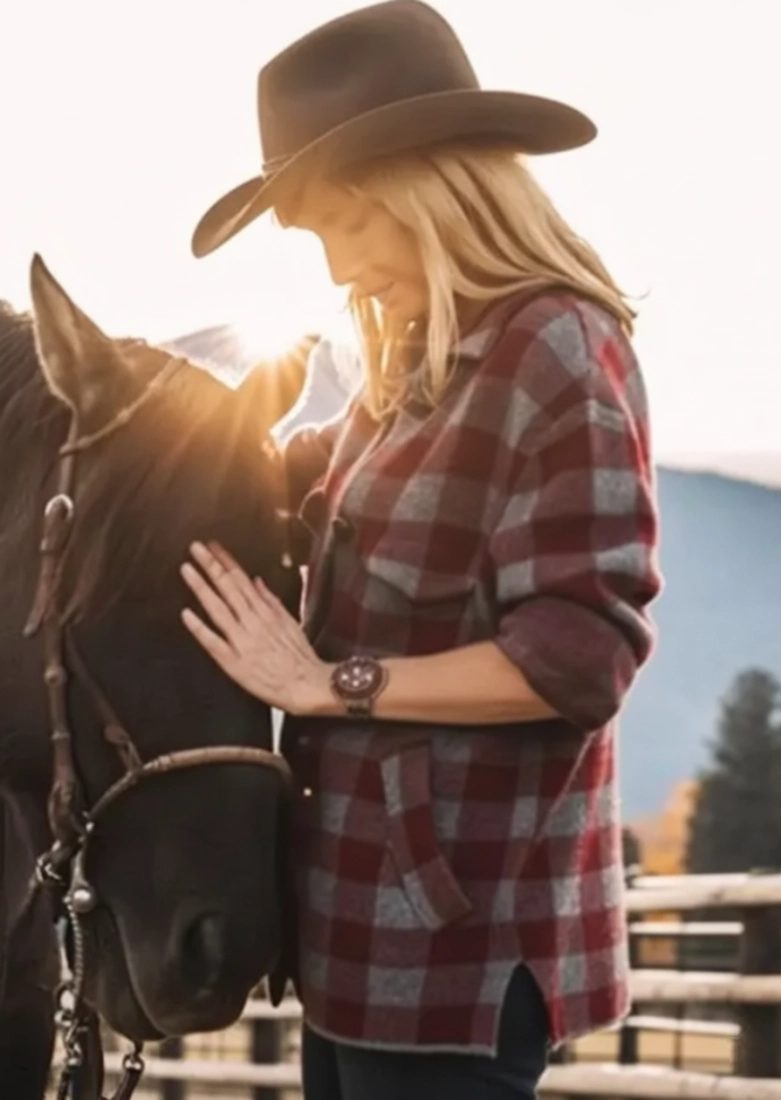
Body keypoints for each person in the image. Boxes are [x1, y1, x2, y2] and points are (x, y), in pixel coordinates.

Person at [180, 2, 662, 1097]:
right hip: (349, 932)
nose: (340, 270)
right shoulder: (415, 365)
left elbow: (578, 659)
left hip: (460, 950)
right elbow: (291, 478)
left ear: (433, 188)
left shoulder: (556, 348)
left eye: (349, 224)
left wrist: (328, 683)